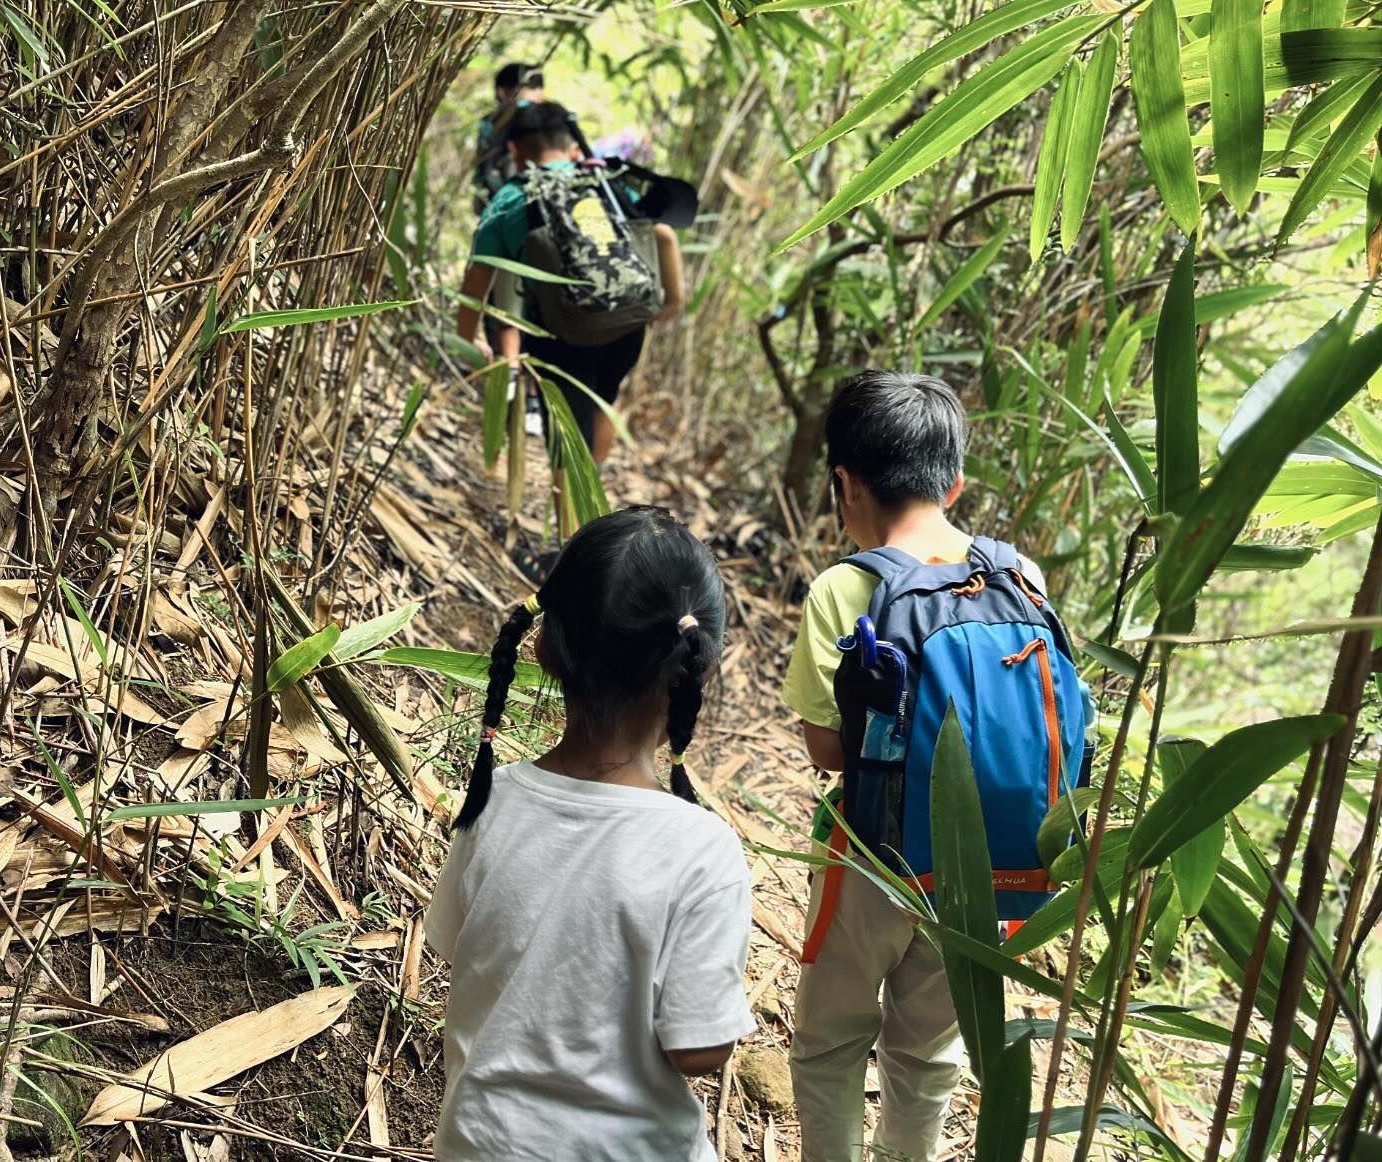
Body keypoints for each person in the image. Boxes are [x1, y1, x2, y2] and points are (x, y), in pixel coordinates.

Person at [424, 506, 755, 1162]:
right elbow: (697, 1048)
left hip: (480, 1143)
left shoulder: (494, 802)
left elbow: (454, 946)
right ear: (702, 666)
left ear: (544, 646)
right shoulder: (702, 852)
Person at [782, 372, 1050, 1162]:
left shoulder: (846, 587)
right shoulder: (1021, 576)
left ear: (844, 482)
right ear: (956, 484)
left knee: (830, 1044)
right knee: (928, 1054)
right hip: (989, 877)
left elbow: (828, 750)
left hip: (872, 858)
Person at [455, 101, 685, 468]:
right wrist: (672, 302)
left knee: (567, 432)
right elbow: (664, 234)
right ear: (570, 144)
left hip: (562, 330)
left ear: (515, 149)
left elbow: (478, 276)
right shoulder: (604, 181)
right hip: (627, 323)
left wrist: (469, 338)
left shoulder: (509, 198)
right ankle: (593, 499)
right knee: (602, 402)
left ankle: (575, 519)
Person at [472, 62, 546, 214]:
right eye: (534, 87)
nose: (539, 93)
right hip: (524, 198)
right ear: (504, 91)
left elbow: (480, 166)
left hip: (498, 201)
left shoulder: (490, 120)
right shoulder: (537, 115)